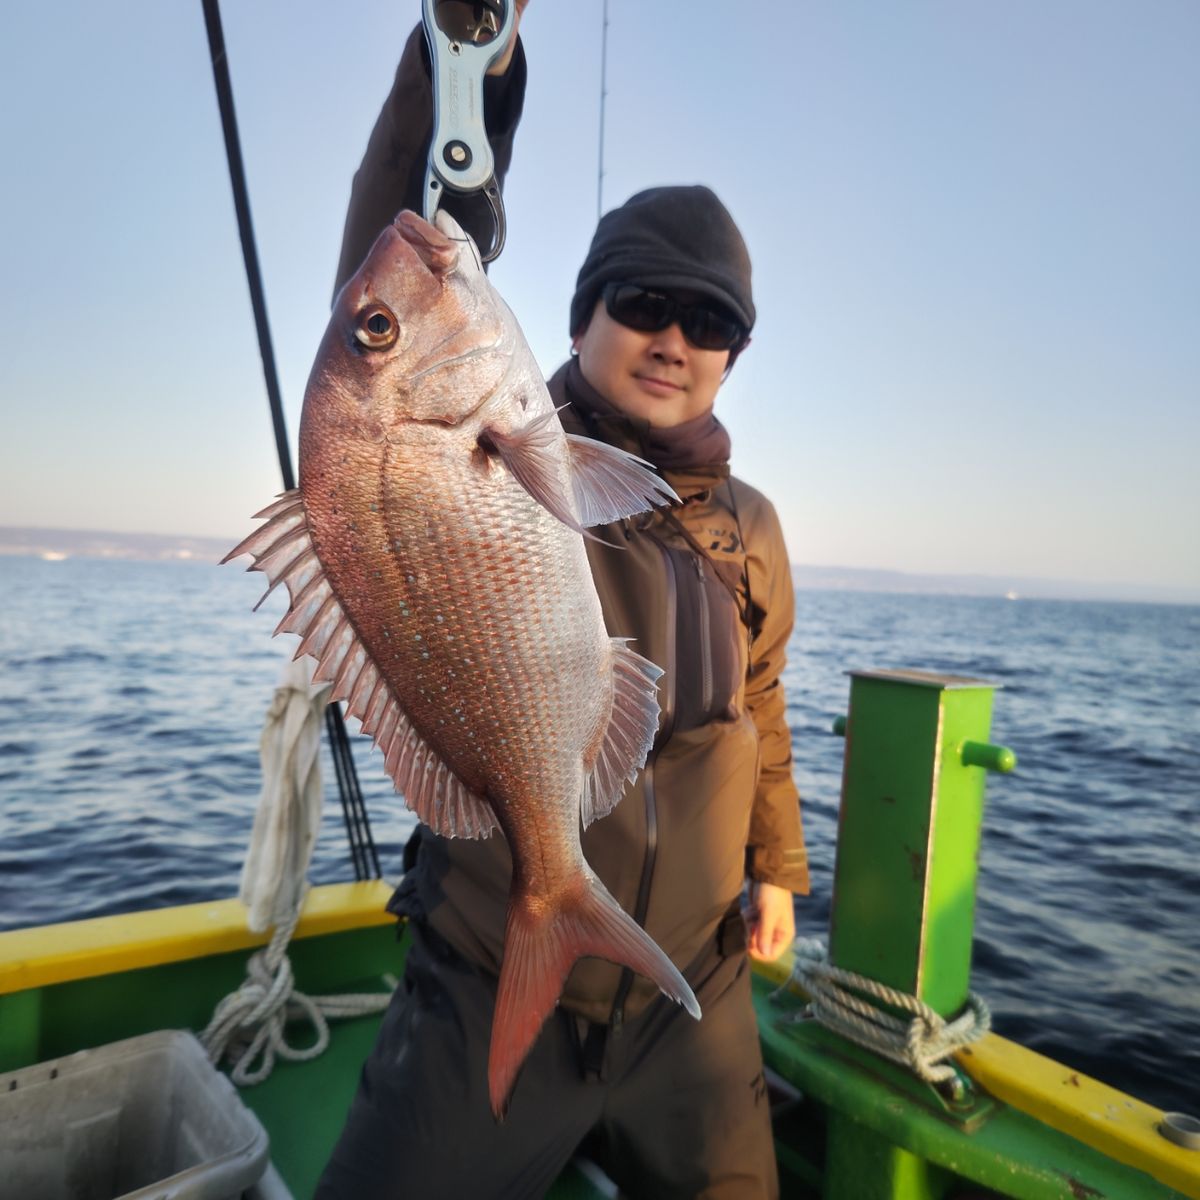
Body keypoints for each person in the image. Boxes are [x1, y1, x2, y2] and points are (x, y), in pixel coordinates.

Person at [316, 7, 809, 1197]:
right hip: (491, 968)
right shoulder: (496, 442)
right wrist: (465, 54)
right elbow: (405, 235)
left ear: (735, 352)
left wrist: (780, 868)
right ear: (581, 312)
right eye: (641, 301)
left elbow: (762, 699)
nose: (673, 339)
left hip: (694, 997)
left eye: (712, 321)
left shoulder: (749, 526)